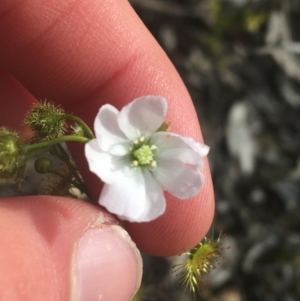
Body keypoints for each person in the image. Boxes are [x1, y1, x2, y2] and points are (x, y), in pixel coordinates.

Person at [0, 0, 214, 300]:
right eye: (144, 151)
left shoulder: (153, 166)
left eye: (146, 153)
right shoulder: (113, 136)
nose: (144, 154)